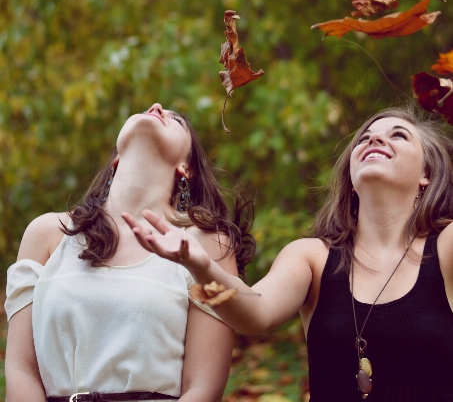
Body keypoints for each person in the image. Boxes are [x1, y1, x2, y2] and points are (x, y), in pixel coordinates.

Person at [124, 107, 453, 402]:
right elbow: (254, 312)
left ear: (427, 173)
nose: (375, 140)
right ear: (350, 178)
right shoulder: (311, 256)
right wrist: (200, 265)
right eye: (364, 139)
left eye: (398, 135)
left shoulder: (447, 246)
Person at [4, 103, 254, 402]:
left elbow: (202, 387)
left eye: (176, 120)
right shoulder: (46, 233)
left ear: (186, 167)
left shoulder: (207, 246)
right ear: (116, 159)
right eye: (149, 109)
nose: (157, 107)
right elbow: (20, 370)